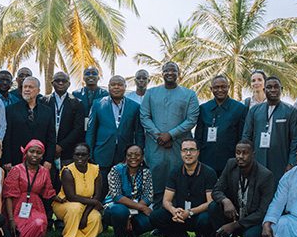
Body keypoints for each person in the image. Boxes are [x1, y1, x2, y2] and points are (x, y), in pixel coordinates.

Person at [140, 62, 199, 207]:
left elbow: (191, 119)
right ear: (162, 73)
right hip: (156, 147)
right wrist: (159, 137)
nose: (170, 73)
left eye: (173, 70)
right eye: (167, 70)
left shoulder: (190, 94)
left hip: (178, 146)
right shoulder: (150, 93)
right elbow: (144, 117)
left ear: (179, 74)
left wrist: (171, 135)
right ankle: (157, 216)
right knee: (156, 184)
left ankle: (177, 217)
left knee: (179, 182)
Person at [209, 139, 275, 237]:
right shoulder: (231, 165)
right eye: (238, 153)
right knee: (213, 206)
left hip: (253, 221)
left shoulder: (265, 176)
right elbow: (217, 190)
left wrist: (234, 226)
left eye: (245, 153)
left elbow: (262, 212)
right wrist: (225, 201)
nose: (240, 156)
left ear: (253, 155)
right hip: (235, 214)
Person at [150, 139, 216, 237]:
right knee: (155, 216)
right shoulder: (175, 172)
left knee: (206, 219)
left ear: (198, 152)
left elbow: (210, 202)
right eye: (185, 150)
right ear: (181, 153)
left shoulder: (209, 172)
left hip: (197, 215)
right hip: (180, 215)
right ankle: (179, 236)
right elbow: (166, 201)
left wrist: (190, 212)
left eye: (192, 150)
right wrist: (173, 211)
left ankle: (204, 236)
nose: (188, 153)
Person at [242, 75, 297, 193]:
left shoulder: (290, 111)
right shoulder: (254, 110)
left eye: (276, 87)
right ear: (264, 90)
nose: (273, 90)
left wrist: (291, 163)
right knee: (258, 192)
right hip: (258, 160)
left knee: (279, 192)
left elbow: (296, 139)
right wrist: (247, 159)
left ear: (281, 89)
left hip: (280, 161)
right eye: (269, 87)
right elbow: (246, 137)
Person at [3, 139, 64, 237]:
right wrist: (11, 219)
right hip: (17, 206)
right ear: (25, 153)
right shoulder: (17, 170)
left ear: (42, 155)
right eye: (31, 151)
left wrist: (60, 199)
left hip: (35, 206)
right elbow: (8, 196)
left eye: (38, 152)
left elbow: (48, 191)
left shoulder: (44, 171)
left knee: (39, 224)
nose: (35, 155)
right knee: (18, 230)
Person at [86, 75, 144, 185]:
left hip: (124, 155)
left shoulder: (135, 106)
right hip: (102, 154)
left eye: (120, 85)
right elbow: (91, 131)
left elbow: (139, 133)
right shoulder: (98, 104)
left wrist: (139, 154)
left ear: (125, 87)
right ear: (108, 87)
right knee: (102, 187)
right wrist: (90, 154)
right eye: (113, 85)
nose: (116, 87)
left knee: (123, 186)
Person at [195, 75, 248, 176]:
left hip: (230, 160)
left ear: (228, 87)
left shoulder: (240, 109)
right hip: (207, 159)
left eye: (223, 87)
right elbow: (198, 137)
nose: (220, 90)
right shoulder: (203, 109)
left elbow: (242, 138)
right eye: (216, 87)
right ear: (211, 89)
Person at [0, 76, 56, 170]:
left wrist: (49, 159)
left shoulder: (47, 111)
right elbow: (7, 136)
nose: (26, 89)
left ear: (38, 91)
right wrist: (7, 159)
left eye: (30, 87)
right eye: (25, 87)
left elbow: (51, 137)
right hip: (16, 161)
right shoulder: (10, 110)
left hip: (40, 161)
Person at [52, 143, 105, 237]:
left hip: (86, 206)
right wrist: (94, 202)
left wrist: (85, 216)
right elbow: (72, 197)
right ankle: (71, 236)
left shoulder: (95, 170)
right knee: (76, 208)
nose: (80, 157)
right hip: (65, 204)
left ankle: (84, 236)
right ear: (73, 156)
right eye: (77, 154)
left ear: (88, 156)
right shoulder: (67, 171)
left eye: (83, 155)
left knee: (95, 217)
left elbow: (96, 196)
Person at [104, 144, 155, 237]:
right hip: (115, 207)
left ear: (142, 157)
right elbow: (117, 196)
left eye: (137, 155)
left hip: (136, 209)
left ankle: (132, 231)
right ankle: (119, 234)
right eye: (130, 155)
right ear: (126, 157)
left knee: (152, 219)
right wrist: (141, 208)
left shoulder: (146, 172)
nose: (133, 157)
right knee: (121, 211)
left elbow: (148, 196)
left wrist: (132, 214)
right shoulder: (116, 170)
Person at [44, 71, 84, 182]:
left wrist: (61, 146)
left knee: (67, 183)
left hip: (68, 151)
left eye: (64, 81)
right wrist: (52, 147)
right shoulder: (44, 101)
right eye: (57, 80)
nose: (61, 83)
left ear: (69, 84)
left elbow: (78, 129)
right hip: (47, 152)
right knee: (47, 183)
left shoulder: (76, 103)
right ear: (52, 83)